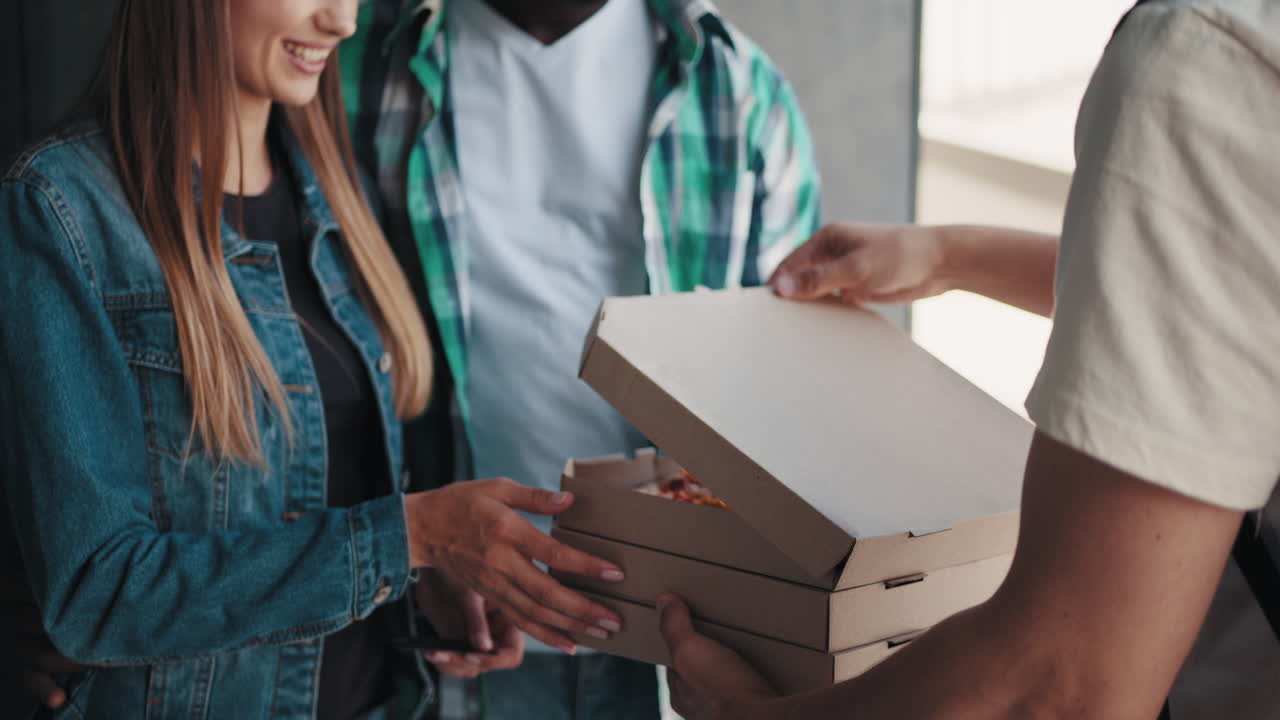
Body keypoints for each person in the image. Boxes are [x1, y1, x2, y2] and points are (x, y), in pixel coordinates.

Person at [0, 0, 630, 717]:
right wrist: (410, 536)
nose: (344, 21)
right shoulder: (62, 209)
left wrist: (426, 574)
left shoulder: (336, 187)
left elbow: (318, 511)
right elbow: (98, 595)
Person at [657, 0, 1280, 717]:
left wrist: (745, 713)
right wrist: (950, 255)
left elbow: (1060, 684)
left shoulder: (1208, 51)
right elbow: (1227, 290)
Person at [339, 0, 821, 717]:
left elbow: (793, 397)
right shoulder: (352, 63)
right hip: (425, 623)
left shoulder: (740, 92)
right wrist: (413, 551)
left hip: (669, 632)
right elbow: (295, 360)